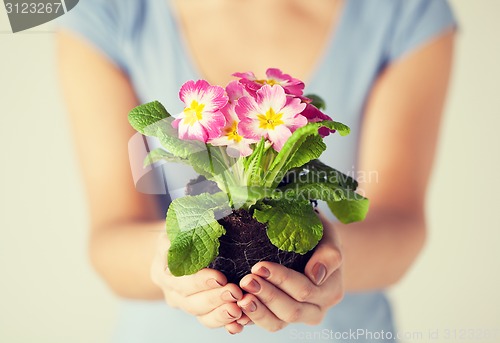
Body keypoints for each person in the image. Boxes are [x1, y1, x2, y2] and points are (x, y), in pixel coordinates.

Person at [57, 0, 456, 341]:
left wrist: (331, 260)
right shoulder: (104, 10)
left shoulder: (406, 11)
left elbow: (402, 223)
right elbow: (108, 239)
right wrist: (163, 259)